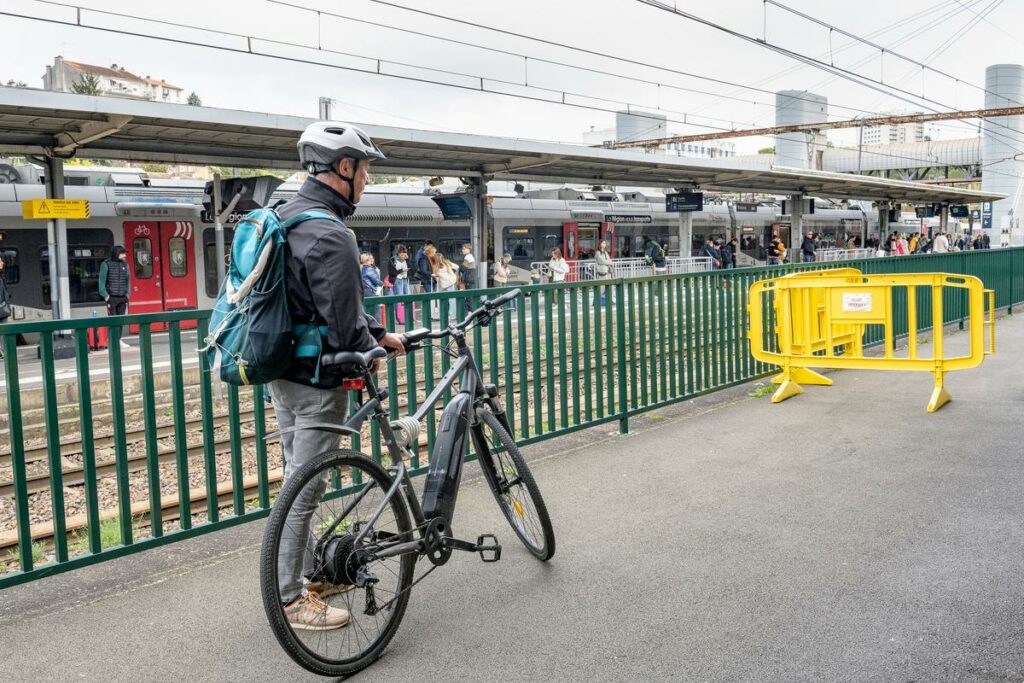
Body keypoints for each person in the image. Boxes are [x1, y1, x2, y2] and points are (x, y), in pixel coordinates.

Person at [268, 121, 404, 631]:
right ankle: (289, 600)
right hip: (319, 380)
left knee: (295, 478)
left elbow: (316, 299)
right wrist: (370, 346)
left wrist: (377, 331)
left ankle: (309, 578)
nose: (367, 179)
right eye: (365, 168)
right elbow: (344, 328)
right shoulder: (331, 232)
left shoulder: (287, 216)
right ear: (343, 168)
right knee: (304, 490)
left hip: (283, 370)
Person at [98, 245, 132, 350]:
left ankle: (118, 339)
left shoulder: (125, 265)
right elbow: (101, 281)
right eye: (122, 253)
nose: (124, 255)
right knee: (113, 320)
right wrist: (106, 295)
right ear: (117, 254)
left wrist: (127, 294)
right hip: (111, 297)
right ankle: (112, 339)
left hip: (122, 297)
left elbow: (128, 280)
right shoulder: (105, 264)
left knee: (120, 320)